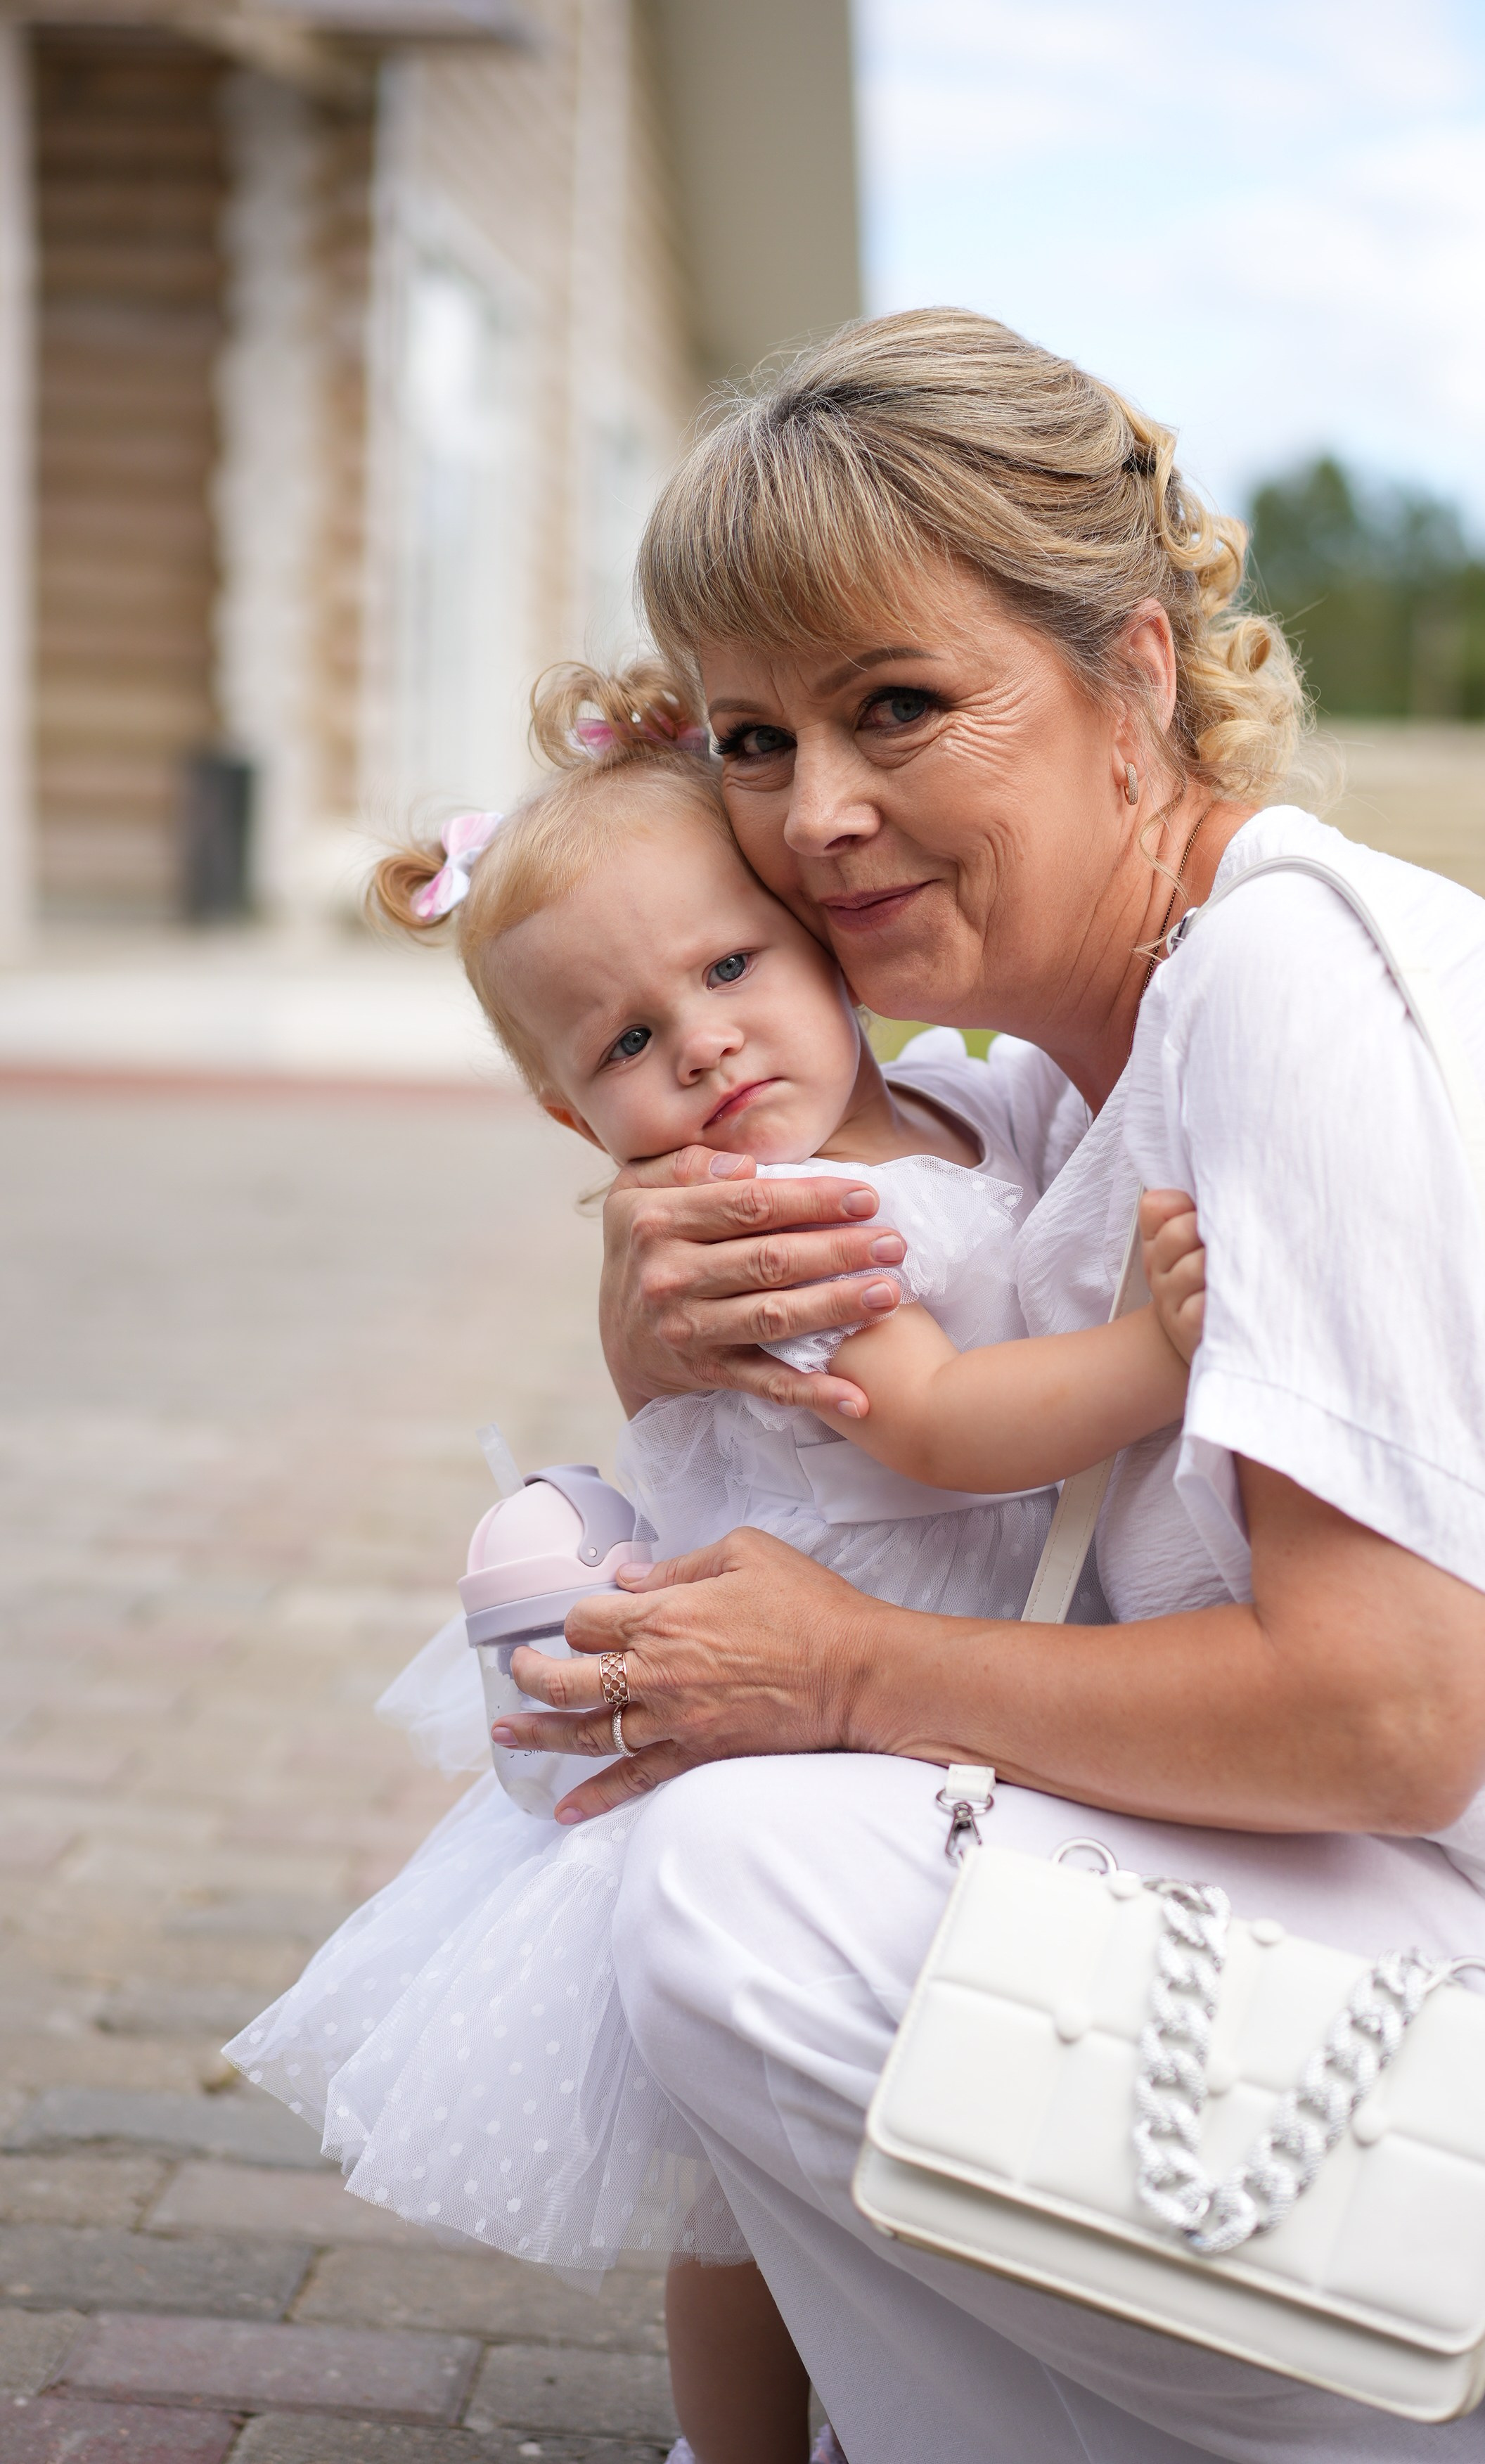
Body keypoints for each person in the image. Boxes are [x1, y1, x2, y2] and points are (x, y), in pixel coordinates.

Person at [489, 312, 1485, 2464]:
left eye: (898, 707)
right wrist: (665, 1332)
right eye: (753, 741)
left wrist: (845, 1673)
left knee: (745, 1882)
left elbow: (1391, 1716)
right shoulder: (1040, 1094)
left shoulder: (1292, 991)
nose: (817, 816)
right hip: (1475, 1962)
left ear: (1133, 677)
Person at [224, 656, 1203, 2464]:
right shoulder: (782, 1222)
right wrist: (1153, 1356)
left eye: (730, 968)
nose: (697, 1046)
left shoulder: (963, 1111)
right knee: (745, 2201)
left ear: (822, 940)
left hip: (918, 1693)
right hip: (799, 1732)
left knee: (860, 2148)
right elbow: (935, 1422)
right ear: (571, 1117)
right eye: (620, 1045)